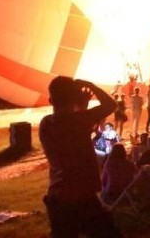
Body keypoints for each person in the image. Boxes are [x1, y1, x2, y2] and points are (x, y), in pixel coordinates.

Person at [39, 76, 119, 236]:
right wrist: (91, 86)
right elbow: (111, 104)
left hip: (57, 196)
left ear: (50, 100)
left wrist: (79, 106)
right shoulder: (81, 120)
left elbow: (69, 128)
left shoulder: (46, 123)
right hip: (82, 195)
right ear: (74, 99)